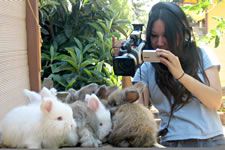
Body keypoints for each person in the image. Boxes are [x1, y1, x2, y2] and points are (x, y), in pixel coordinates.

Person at [112, 2, 225, 148]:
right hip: (172, 143)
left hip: (212, 141)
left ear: (182, 33)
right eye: (154, 36)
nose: (159, 42)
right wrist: (124, 65)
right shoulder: (147, 68)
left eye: (166, 36)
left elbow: (215, 102)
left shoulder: (201, 54)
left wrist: (181, 75)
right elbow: (136, 110)